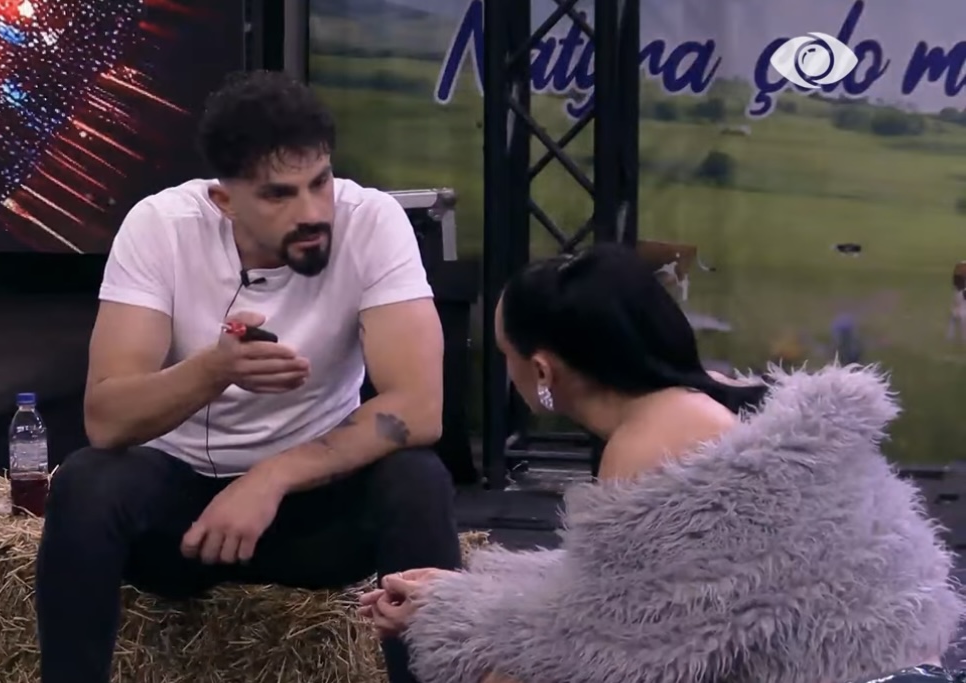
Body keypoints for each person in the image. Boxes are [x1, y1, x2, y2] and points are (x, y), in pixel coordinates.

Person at [360, 245, 964, 683]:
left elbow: (609, 653)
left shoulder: (649, 446)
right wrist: (471, 589)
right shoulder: (716, 405)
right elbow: (645, 591)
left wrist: (445, 616)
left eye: (504, 355)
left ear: (541, 370)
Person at [35, 70, 461, 683]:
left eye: (320, 182)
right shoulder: (161, 226)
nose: (312, 212)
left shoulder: (373, 222)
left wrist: (271, 478)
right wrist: (214, 370)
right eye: (278, 195)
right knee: (87, 483)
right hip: (183, 519)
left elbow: (419, 408)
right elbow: (106, 420)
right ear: (225, 201)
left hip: (314, 507)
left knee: (416, 479)